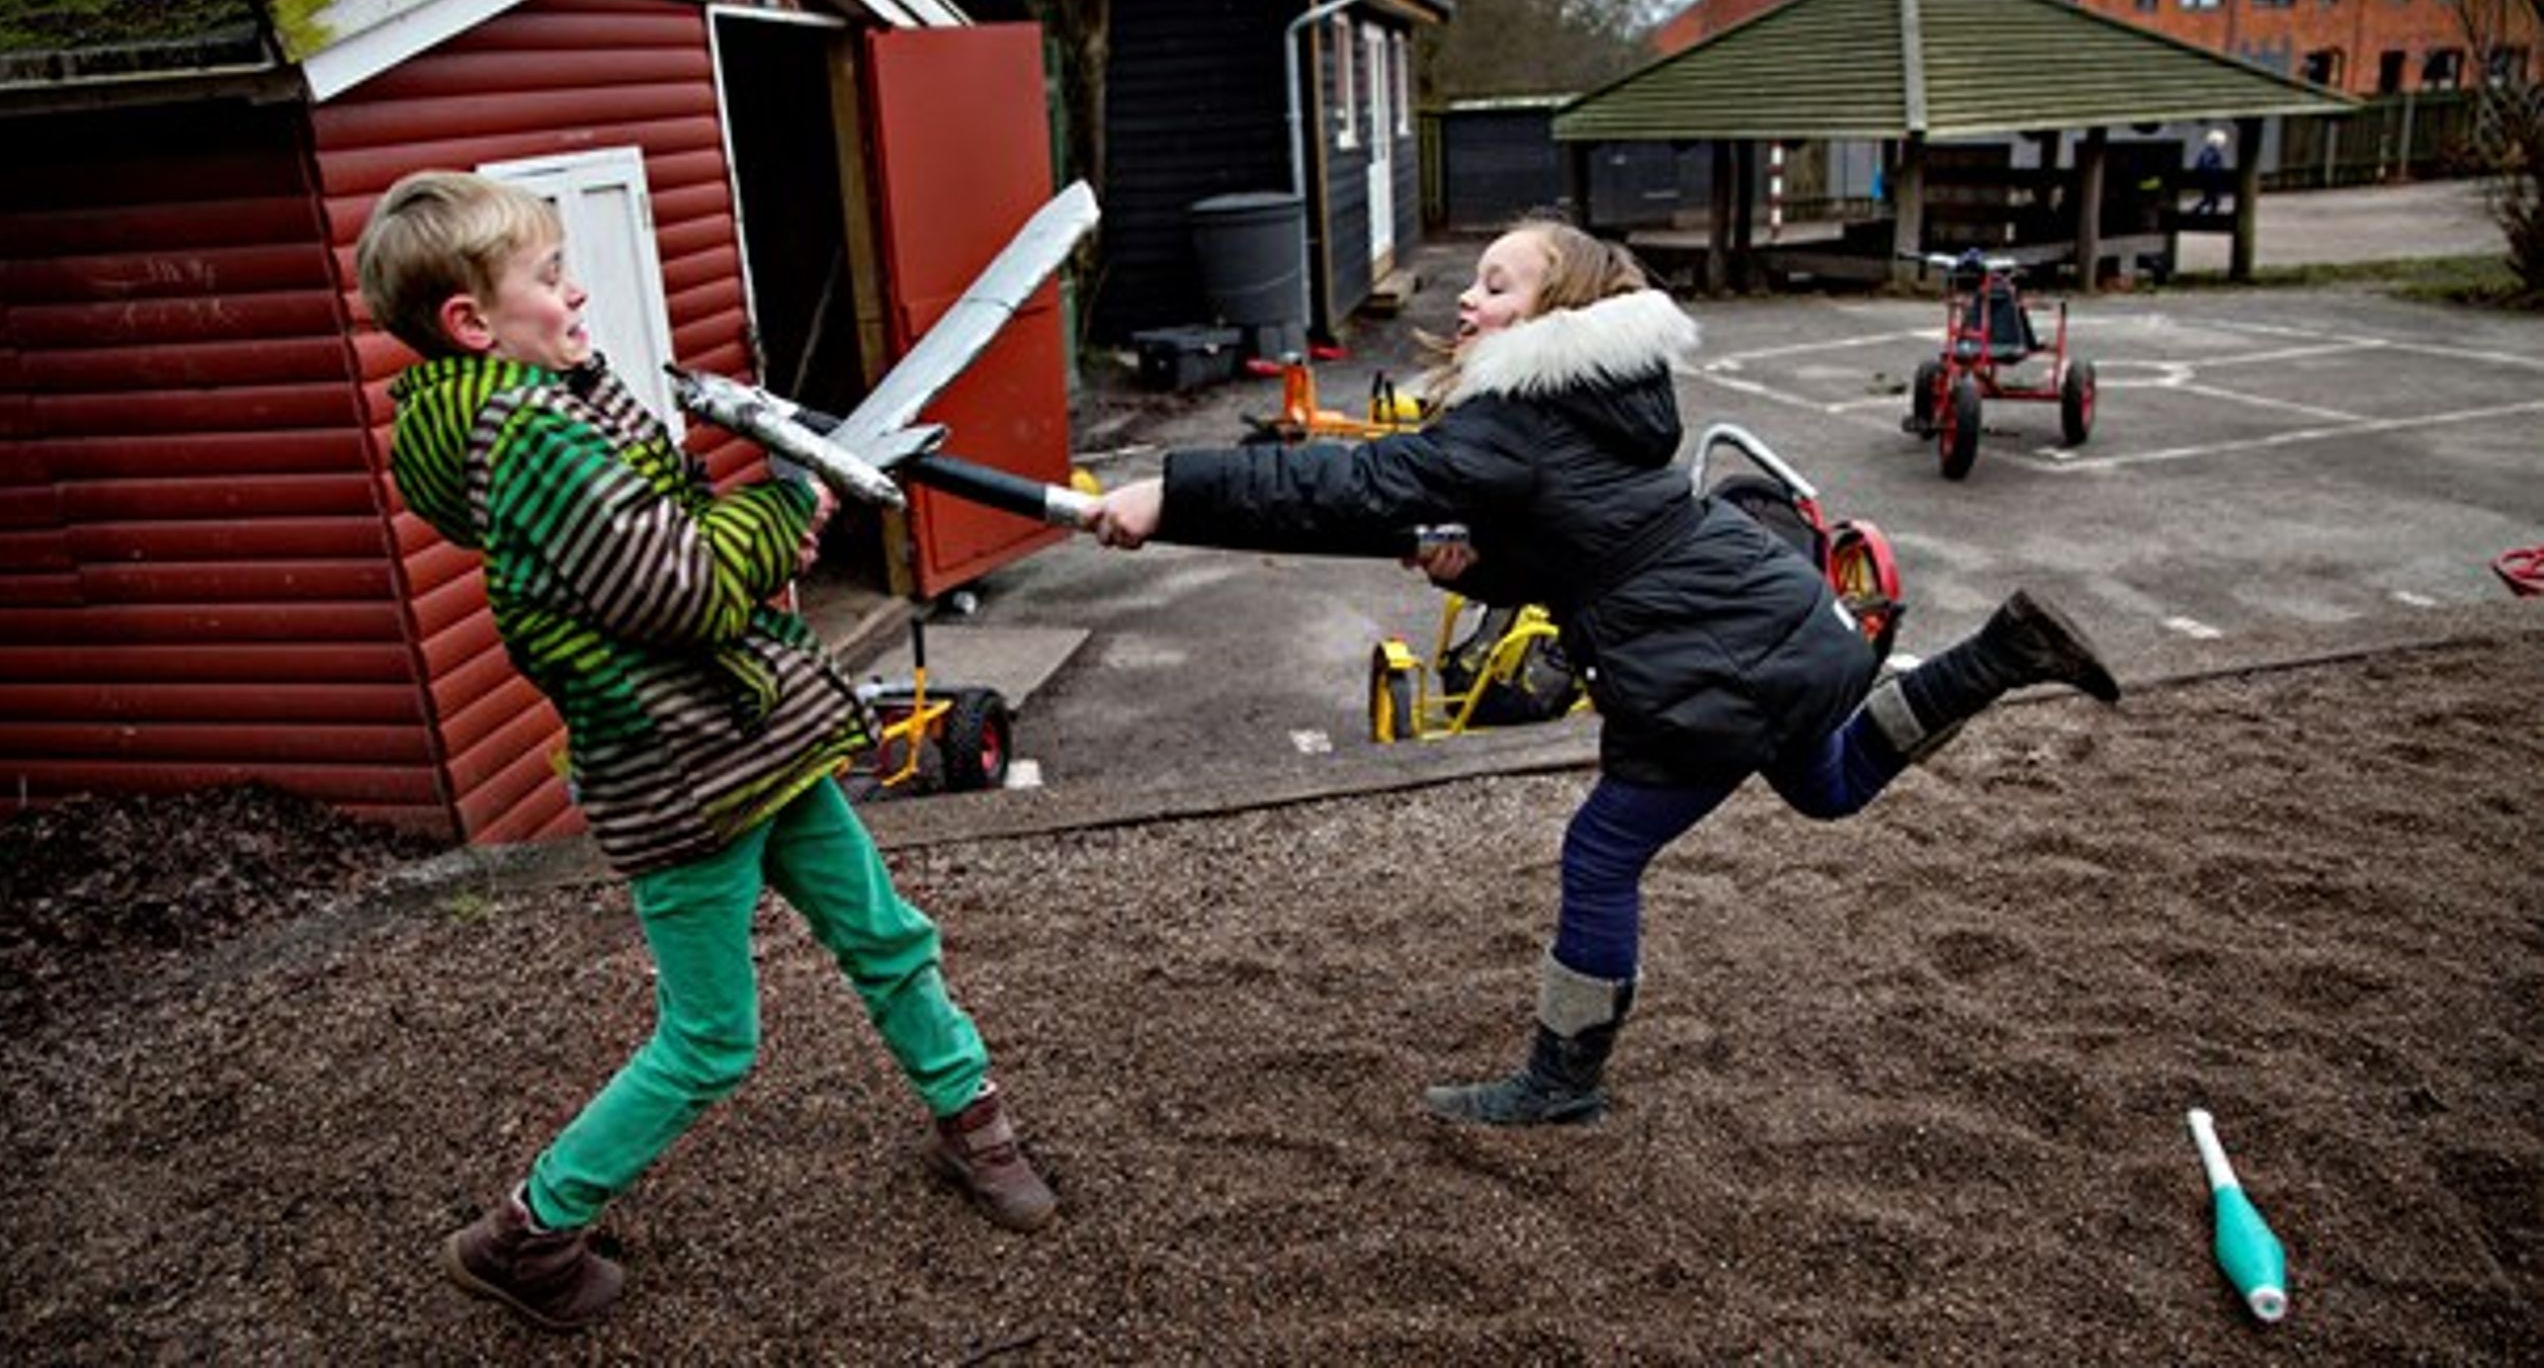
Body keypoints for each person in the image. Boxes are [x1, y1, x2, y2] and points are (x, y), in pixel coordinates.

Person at [1083, 218, 2120, 1128]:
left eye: (1497, 282)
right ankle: (1999, 651)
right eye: (1474, 282)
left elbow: (1344, 484)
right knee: (1830, 783)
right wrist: (1479, 560)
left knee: (1601, 852)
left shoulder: (1511, 418)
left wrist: (1169, 494)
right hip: (1765, 608)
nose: (1469, 299)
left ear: (1559, 306)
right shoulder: (1597, 394)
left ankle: (1559, 1080)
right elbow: (1578, 534)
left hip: (1704, 652)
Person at [357, 170, 1054, 1331]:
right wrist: (790, 507)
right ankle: (525, 1233)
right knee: (712, 1037)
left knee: (883, 932)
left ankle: (971, 1118)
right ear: (471, 323)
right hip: (680, 774)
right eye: (548, 278)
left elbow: (653, 507)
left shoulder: (543, 406)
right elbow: (678, 586)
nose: (575, 289)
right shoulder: (523, 437)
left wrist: (590, 371)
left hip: (748, 733)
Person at [2192, 128, 2230, 215]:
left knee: (2211, 198)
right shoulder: (2212, 153)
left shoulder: (2206, 152)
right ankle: (2206, 212)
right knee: (2212, 197)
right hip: (2211, 181)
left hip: (2207, 181)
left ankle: (2202, 211)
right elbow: (2207, 167)